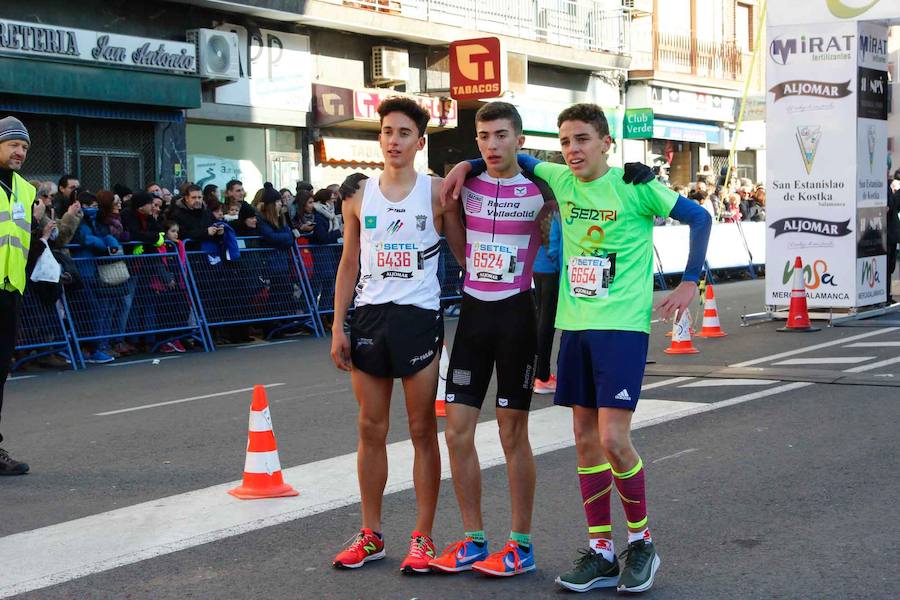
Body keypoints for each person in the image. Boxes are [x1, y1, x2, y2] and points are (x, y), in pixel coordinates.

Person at [443, 103, 711, 593]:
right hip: (576, 328)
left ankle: (643, 543)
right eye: (565, 141)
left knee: (613, 439)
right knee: (585, 441)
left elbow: (699, 216)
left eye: (583, 139)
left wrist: (690, 282)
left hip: (623, 329)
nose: (572, 150)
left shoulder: (635, 185)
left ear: (606, 142)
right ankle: (602, 551)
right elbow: (506, 154)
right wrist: (466, 164)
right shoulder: (561, 181)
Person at [330, 97, 465, 574]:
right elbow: (348, 263)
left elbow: (462, 251)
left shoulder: (435, 192)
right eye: (387, 131)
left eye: (404, 133)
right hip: (369, 319)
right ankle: (371, 534)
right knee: (371, 429)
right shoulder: (357, 195)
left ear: (420, 142)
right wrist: (337, 325)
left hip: (418, 318)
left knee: (423, 430)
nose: (394, 140)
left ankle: (423, 538)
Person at [426, 102, 556, 577]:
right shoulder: (467, 183)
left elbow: (588, 182)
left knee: (509, 431)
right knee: (456, 431)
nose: (492, 144)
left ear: (519, 139)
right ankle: (474, 539)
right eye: (483, 137)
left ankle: (520, 545)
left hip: (518, 315)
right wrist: (466, 166)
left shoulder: (542, 188)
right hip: (475, 314)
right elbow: (455, 239)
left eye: (501, 135)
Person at [0, 116, 34, 475]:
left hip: (10, 292)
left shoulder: (25, 190)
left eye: (23, 146)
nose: (19, 151)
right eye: (12, 144)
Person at [532, 211, 562, 394]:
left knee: (541, 320)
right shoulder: (555, 210)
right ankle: (542, 377)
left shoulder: (539, 206)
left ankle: (539, 374)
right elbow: (554, 245)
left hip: (538, 266)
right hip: (551, 270)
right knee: (547, 323)